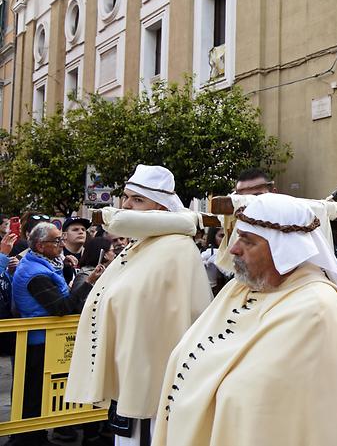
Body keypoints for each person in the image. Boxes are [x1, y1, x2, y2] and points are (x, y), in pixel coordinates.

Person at [151, 194, 337, 446]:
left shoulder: (316, 307)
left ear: (283, 248)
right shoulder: (239, 288)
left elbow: (266, 405)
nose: (234, 249)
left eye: (247, 241)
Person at [66, 164, 212, 446]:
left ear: (160, 206)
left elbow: (171, 319)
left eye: (138, 199)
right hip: (130, 369)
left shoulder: (176, 248)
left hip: (154, 381)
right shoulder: (141, 244)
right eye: (126, 197)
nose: (126, 205)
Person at [11, 223, 104, 446]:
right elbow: (60, 308)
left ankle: (36, 436)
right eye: (56, 241)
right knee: (33, 393)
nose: (61, 244)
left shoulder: (42, 264)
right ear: (41, 246)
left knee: (39, 393)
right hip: (37, 341)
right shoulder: (35, 274)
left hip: (44, 338)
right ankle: (28, 439)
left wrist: (63, 268)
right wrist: (89, 283)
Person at [61, 216, 91, 284]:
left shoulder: (90, 255)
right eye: (75, 229)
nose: (81, 232)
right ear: (64, 235)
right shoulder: (57, 257)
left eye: (83, 229)